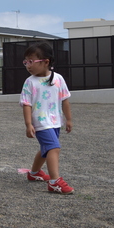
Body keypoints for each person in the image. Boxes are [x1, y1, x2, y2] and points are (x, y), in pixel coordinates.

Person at [20, 42, 74, 194]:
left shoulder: (58, 78)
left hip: (55, 121)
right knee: (54, 148)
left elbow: (65, 100)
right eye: (26, 62)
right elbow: (26, 104)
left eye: (31, 61)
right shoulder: (30, 82)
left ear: (46, 62)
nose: (28, 65)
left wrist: (68, 119)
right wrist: (28, 124)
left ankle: (34, 173)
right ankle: (54, 181)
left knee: (46, 150)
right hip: (40, 122)